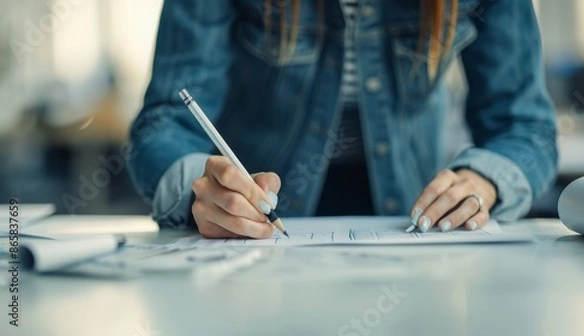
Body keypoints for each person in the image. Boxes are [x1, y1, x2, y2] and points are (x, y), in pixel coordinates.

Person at [127, 0, 557, 239]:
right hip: (250, 227)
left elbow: (526, 128)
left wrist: (484, 181)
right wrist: (201, 191)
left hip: (415, 228)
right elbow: (162, 125)